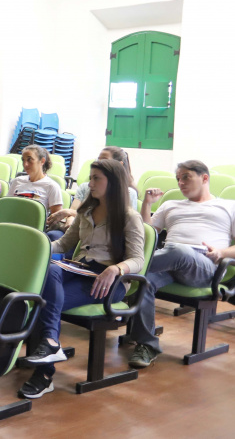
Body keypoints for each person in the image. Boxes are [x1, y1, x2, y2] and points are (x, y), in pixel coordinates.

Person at [18, 159, 145, 398]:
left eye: (97, 178)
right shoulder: (86, 211)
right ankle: (49, 346)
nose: (90, 183)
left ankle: (44, 373)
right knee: (50, 270)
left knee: (41, 301)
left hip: (108, 281)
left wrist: (116, 269)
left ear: (114, 183)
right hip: (80, 269)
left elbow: (138, 259)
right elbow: (64, 244)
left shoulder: (129, 217)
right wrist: (37, 244)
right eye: (91, 177)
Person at [126, 160, 235, 369]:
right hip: (168, 264)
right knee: (143, 281)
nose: (181, 183)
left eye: (186, 177)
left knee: (177, 250)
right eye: (178, 179)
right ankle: (147, 345)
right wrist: (147, 203)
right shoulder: (170, 205)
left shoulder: (228, 206)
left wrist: (221, 252)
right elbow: (147, 234)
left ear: (204, 178)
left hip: (204, 266)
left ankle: (123, 267)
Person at [47, 146, 138, 243]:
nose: (99, 163)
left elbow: (110, 220)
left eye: (104, 160)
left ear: (118, 165)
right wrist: (70, 219)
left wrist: (68, 212)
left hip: (102, 238)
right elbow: (74, 210)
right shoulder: (85, 187)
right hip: (78, 229)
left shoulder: (128, 193)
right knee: (52, 236)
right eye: (98, 160)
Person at [9, 145, 63, 218]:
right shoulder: (17, 181)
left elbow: (56, 217)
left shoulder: (52, 186)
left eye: (29, 159)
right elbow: (7, 206)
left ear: (42, 161)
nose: (25, 164)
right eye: (23, 160)